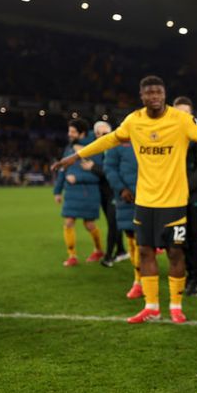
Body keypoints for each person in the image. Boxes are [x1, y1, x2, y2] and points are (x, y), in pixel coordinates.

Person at [51, 75, 197, 324]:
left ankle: (175, 305)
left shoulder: (180, 120)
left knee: (175, 254)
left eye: (158, 92)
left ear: (164, 94)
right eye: (149, 93)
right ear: (142, 96)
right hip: (144, 202)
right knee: (144, 252)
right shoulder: (134, 121)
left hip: (174, 202)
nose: (154, 97)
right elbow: (109, 140)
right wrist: (74, 158)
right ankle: (151, 306)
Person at [171, 96, 197, 298]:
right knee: (180, 238)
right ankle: (187, 275)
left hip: (196, 195)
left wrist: (183, 187)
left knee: (196, 237)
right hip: (174, 197)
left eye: (185, 113)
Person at [53, 118, 104, 266]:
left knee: (89, 224)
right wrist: (57, 191)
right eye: (69, 131)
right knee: (68, 222)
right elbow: (63, 170)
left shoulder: (95, 148)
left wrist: (78, 177)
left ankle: (98, 250)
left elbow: (98, 172)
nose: (69, 134)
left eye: (73, 131)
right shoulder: (69, 148)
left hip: (89, 192)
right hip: (71, 192)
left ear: (82, 133)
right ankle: (72, 256)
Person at [102, 120, 142, 299]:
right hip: (126, 199)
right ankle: (138, 281)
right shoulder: (116, 145)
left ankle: (144, 278)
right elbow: (109, 169)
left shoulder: (145, 141)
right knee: (133, 240)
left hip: (150, 196)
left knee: (145, 241)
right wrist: (121, 189)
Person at [88, 121, 128, 267]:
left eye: (107, 133)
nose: (104, 136)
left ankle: (109, 256)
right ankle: (122, 251)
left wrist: (93, 168)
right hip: (104, 193)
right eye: (100, 134)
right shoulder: (99, 150)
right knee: (114, 223)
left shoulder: (118, 148)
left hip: (116, 193)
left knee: (114, 224)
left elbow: (114, 172)